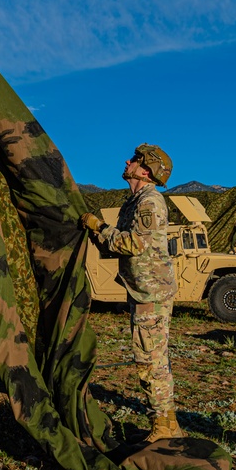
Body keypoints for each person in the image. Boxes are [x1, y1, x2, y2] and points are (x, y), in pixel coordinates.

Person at [80, 143, 183, 442]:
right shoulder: (132, 203)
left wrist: (101, 227)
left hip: (151, 294)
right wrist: (99, 233)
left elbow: (134, 244)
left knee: (150, 359)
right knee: (152, 357)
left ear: (146, 170)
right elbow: (120, 244)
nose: (128, 161)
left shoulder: (150, 202)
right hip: (141, 290)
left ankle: (164, 425)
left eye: (135, 160)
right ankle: (168, 422)